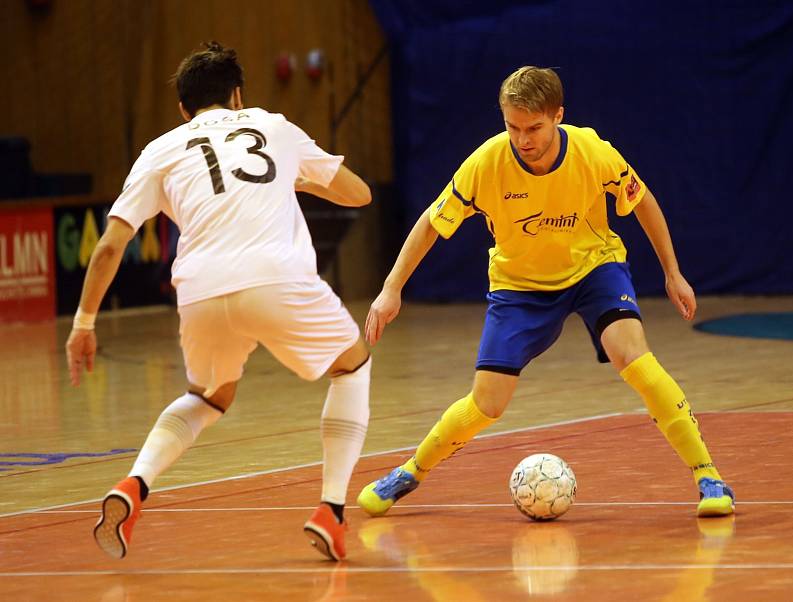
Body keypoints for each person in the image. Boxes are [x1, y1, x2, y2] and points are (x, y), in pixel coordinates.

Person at [357, 66, 734, 519]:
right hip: (520, 285)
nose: (523, 139)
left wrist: (673, 273)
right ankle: (410, 472)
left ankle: (707, 474)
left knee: (632, 357)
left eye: (534, 127)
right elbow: (430, 225)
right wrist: (390, 289)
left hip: (594, 268)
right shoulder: (486, 163)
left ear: (558, 115)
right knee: (487, 402)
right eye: (512, 127)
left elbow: (644, 202)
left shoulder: (593, 152)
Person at [65, 42, 372, 561]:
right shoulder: (274, 126)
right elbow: (358, 193)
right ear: (238, 95)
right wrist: (295, 175)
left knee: (209, 396)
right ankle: (331, 511)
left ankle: (136, 483)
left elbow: (111, 244)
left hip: (200, 290)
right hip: (277, 278)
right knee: (352, 368)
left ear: (183, 109)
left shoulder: (161, 150)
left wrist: (83, 324)